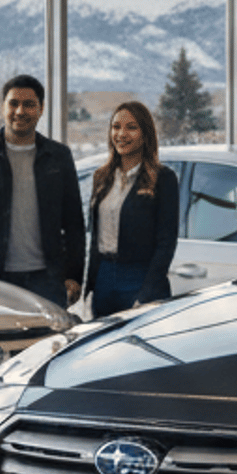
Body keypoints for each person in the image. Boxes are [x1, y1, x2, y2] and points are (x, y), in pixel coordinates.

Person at [0, 74, 85, 310]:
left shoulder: (59, 157)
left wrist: (73, 275)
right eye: (13, 103)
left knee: (50, 345)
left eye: (29, 104)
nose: (20, 111)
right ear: (3, 108)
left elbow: (73, 223)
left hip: (47, 280)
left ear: (41, 109)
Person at [84, 101, 179, 317]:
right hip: (105, 277)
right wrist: (89, 289)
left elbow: (166, 243)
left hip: (140, 276)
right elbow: (95, 240)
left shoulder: (163, 178)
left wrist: (148, 293)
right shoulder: (101, 177)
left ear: (145, 134)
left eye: (131, 127)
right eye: (116, 127)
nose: (121, 134)